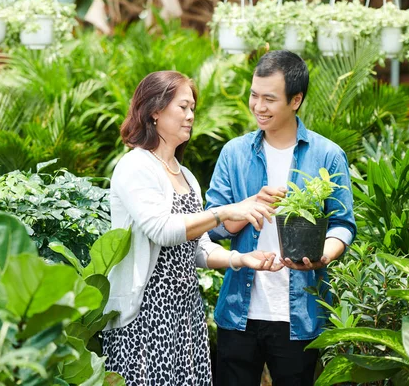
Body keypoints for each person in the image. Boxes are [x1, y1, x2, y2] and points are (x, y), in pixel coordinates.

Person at [102, 70, 285, 386]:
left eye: (192, 109)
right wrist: (226, 211)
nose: (190, 116)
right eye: (183, 107)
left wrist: (241, 259)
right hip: (146, 315)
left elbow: (198, 248)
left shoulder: (185, 176)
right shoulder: (135, 166)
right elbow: (162, 229)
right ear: (155, 111)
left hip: (185, 314)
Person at [205, 50, 357, 386]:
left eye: (269, 99)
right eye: (254, 95)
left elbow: (342, 224)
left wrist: (322, 257)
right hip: (238, 311)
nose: (258, 107)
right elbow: (214, 226)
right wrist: (248, 206)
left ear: (295, 100)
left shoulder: (327, 155)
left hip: (300, 313)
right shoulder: (234, 152)